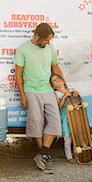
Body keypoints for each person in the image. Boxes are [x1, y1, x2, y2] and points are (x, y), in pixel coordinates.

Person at [15, 23, 65, 172]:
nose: (48, 43)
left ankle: (43, 153)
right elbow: (18, 73)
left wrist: (65, 87)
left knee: (55, 121)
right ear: (37, 36)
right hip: (31, 90)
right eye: (46, 40)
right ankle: (45, 155)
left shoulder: (50, 49)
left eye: (50, 40)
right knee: (36, 122)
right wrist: (22, 94)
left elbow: (55, 67)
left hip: (48, 89)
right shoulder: (23, 49)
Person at [50, 74, 78, 164]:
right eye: (54, 80)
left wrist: (77, 95)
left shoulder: (71, 90)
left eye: (58, 78)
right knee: (67, 136)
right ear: (53, 86)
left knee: (76, 136)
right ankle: (69, 156)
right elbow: (58, 107)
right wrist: (64, 97)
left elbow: (78, 102)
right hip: (65, 117)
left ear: (63, 81)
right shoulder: (56, 94)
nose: (57, 80)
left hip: (74, 116)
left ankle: (77, 154)